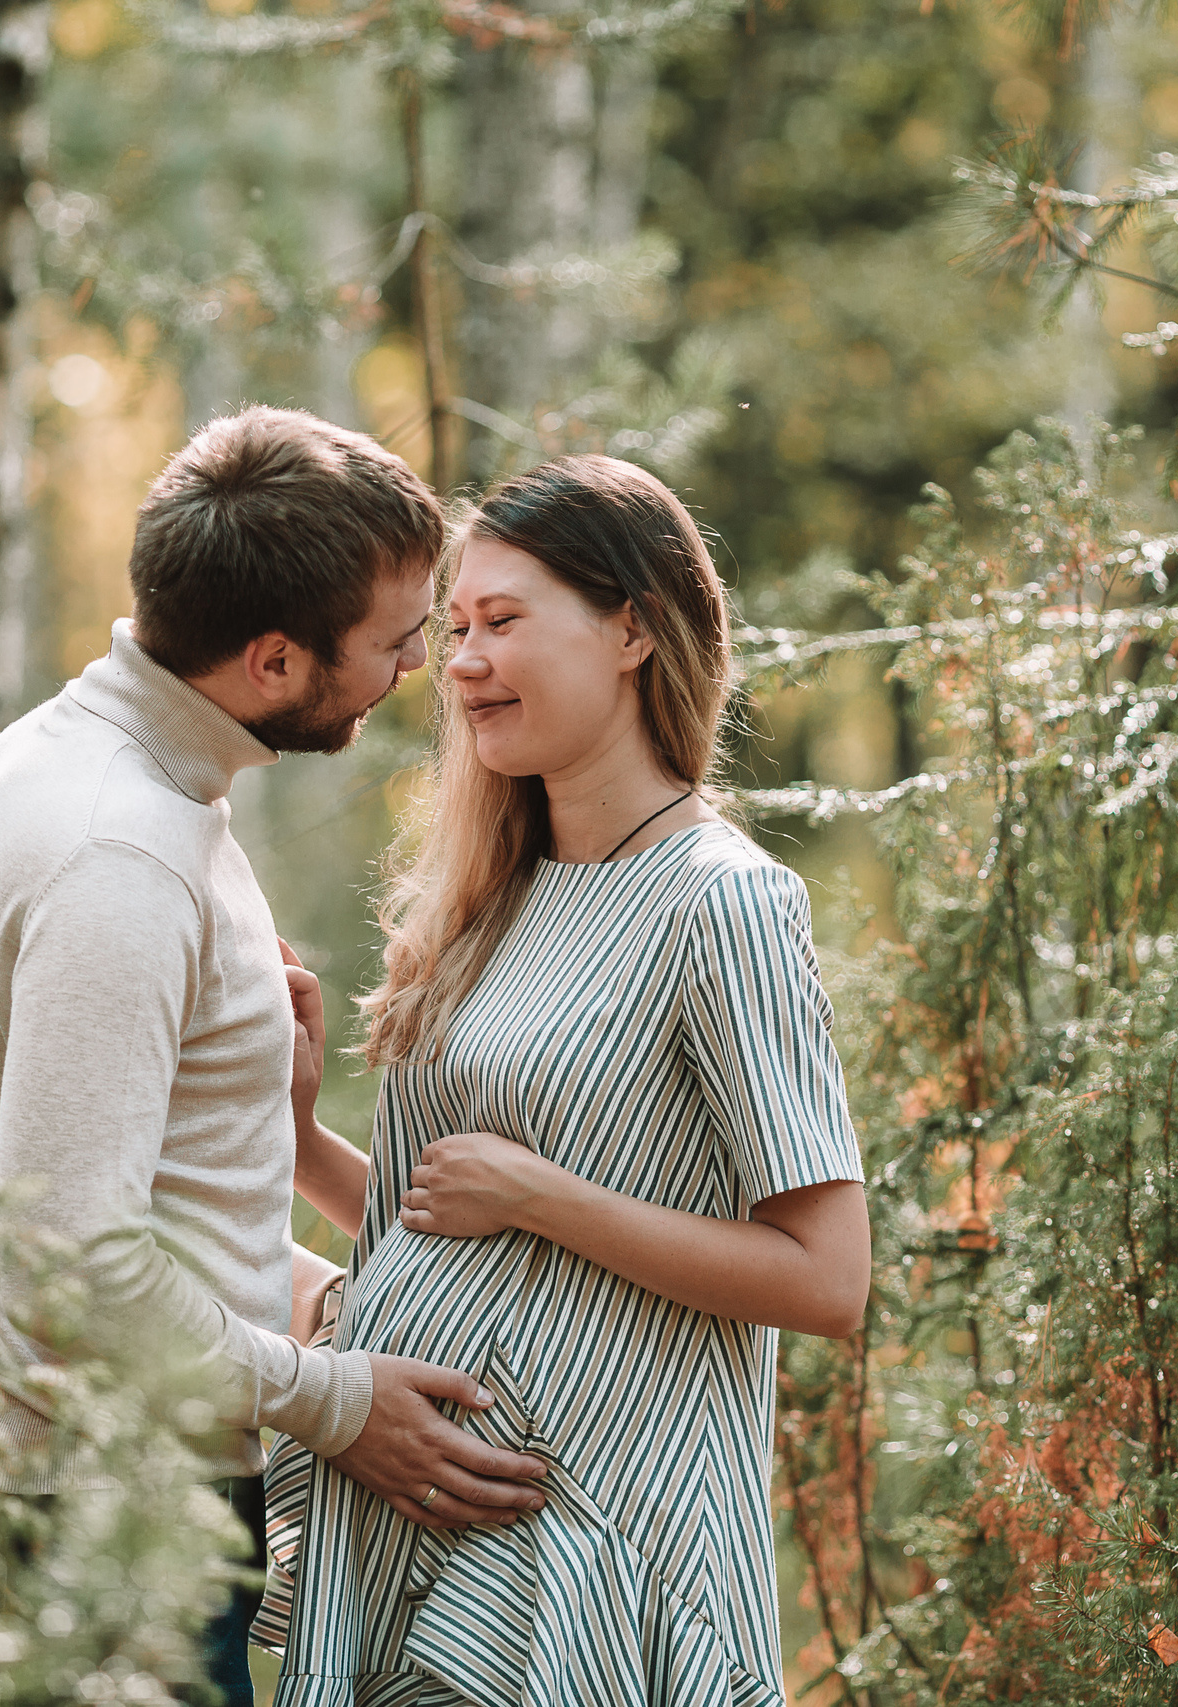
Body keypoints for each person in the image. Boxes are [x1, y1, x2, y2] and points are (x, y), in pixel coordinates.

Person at [0, 407, 548, 1704]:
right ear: (275, 658)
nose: (419, 665)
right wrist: (338, 1401)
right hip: (68, 1531)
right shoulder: (117, 851)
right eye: (397, 638)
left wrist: (297, 1202)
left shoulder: (109, 768)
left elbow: (125, 1197)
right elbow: (72, 1264)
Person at [271, 455, 872, 1706]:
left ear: (632, 630)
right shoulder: (496, 899)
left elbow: (827, 1279)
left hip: (590, 1546)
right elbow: (452, 1216)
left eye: (502, 622)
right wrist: (296, 1138)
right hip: (420, 1516)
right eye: (453, 631)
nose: (466, 662)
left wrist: (544, 1199)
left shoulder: (726, 903)